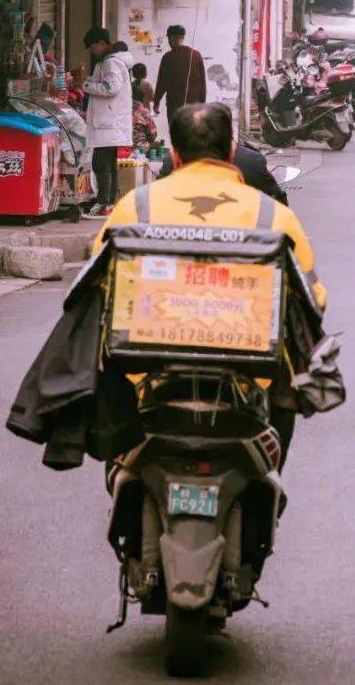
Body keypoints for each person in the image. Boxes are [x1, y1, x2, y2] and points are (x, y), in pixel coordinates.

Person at [97, 102, 325, 464]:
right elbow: (312, 297)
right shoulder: (273, 215)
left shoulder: (134, 207)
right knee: (286, 381)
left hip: (146, 372)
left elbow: (98, 286)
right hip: (249, 374)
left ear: (174, 154)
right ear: (231, 153)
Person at [82, 28, 133, 218]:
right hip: (108, 123)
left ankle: (104, 203)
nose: (91, 51)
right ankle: (110, 203)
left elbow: (111, 87)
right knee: (108, 164)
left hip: (108, 123)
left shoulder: (112, 63)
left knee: (101, 164)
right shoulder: (107, 62)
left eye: (93, 47)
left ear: (102, 43)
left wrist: (86, 85)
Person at [154, 25, 207, 126]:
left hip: (174, 105)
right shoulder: (196, 55)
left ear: (172, 38)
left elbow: (162, 82)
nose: (168, 42)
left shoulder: (168, 57)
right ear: (182, 37)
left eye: (168, 39)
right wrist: (202, 104)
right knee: (192, 132)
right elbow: (202, 83)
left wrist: (156, 102)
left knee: (177, 132)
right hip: (194, 105)